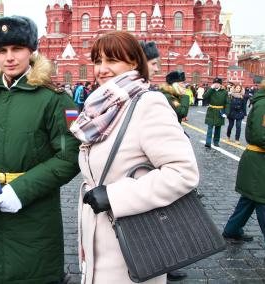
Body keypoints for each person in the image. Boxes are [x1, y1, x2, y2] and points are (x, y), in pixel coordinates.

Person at [69, 31, 199, 284]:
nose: (102, 69)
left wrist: (115, 196)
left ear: (133, 64)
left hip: (137, 240)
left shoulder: (148, 104)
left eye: (112, 60)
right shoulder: (100, 108)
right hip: (98, 236)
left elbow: (183, 172)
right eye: (97, 61)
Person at [0, 15, 80, 284]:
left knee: (35, 274)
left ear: (31, 50)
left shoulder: (56, 98)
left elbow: (70, 155)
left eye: (17, 49)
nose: (9, 57)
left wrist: (20, 191)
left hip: (34, 210)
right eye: (2, 51)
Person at [142, 45, 190, 282]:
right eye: (153, 63)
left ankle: (167, 263)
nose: (157, 68)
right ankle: (164, 263)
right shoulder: (157, 98)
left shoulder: (157, 96)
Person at [222, 79, 265, 262]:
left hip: (259, 161)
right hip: (261, 161)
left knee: (250, 199)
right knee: (264, 202)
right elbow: (262, 136)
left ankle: (232, 230)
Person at [203, 77, 230, 148]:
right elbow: (204, 96)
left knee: (218, 128)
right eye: (215, 83)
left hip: (220, 111)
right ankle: (208, 142)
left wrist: (226, 113)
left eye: (218, 83)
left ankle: (216, 141)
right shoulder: (211, 90)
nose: (216, 85)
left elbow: (227, 103)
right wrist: (211, 89)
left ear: (220, 84)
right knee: (210, 127)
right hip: (211, 110)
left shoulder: (224, 92)